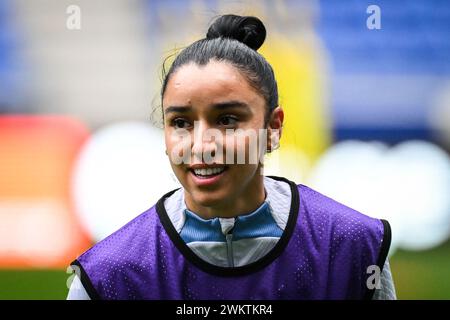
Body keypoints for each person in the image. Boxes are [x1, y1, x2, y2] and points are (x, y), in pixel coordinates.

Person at [67, 14, 396, 300]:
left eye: (227, 120)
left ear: (273, 127)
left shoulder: (354, 248)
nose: (202, 144)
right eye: (180, 123)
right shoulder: (107, 276)